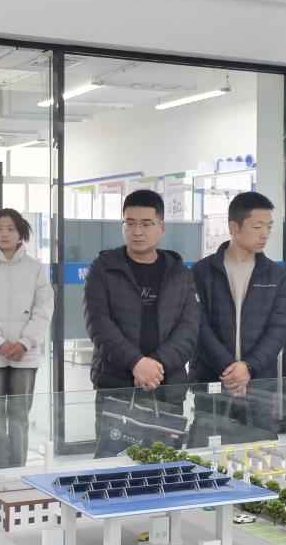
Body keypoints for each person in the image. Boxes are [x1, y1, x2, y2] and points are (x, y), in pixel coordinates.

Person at [83, 189, 199, 457]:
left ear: (161, 227)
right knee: (112, 466)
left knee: (164, 466)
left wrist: (155, 366)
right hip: (117, 386)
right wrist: (136, 363)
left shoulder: (180, 273)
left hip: (166, 386)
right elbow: (98, 323)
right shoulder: (103, 268)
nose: (137, 231)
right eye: (130, 223)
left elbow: (190, 328)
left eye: (146, 224)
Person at [190, 192, 286, 441]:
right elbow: (197, 325)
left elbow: (279, 329)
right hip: (213, 380)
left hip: (259, 384)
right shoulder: (202, 272)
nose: (265, 234)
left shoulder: (276, 276)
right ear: (233, 227)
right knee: (209, 451)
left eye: (269, 227)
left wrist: (248, 368)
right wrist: (230, 369)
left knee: (261, 452)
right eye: (257, 226)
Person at [0, 209, 54, 469]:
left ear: (21, 233)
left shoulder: (34, 268)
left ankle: (17, 476)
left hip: (24, 355)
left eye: (10, 228)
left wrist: (25, 342)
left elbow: (44, 308)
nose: (4, 234)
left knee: (19, 421)